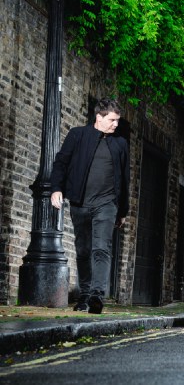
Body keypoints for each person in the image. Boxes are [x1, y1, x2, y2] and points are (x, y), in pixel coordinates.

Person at [50, 97, 130, 314]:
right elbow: (61, 163)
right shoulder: (78, 135)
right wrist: (56, 189)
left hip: (106, 204)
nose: (116, 124)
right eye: (112, 120)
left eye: (117, 120)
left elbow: (124, 178)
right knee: (83, 250)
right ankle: (84, 295)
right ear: (99, 117)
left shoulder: (120, 144)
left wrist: (122, 210)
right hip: (80, 203)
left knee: (101, 248)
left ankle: (96, 295)